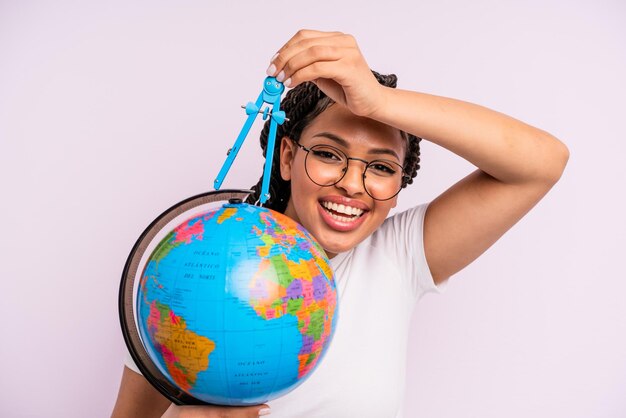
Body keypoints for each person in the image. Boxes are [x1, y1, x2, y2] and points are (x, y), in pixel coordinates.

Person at [111, 29, 569, 418]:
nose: (353, 184)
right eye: (329, 155)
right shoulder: (192, 271)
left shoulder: (398, 256)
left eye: (382, 166)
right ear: (286, 157)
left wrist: (378, 102)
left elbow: (541, 163)